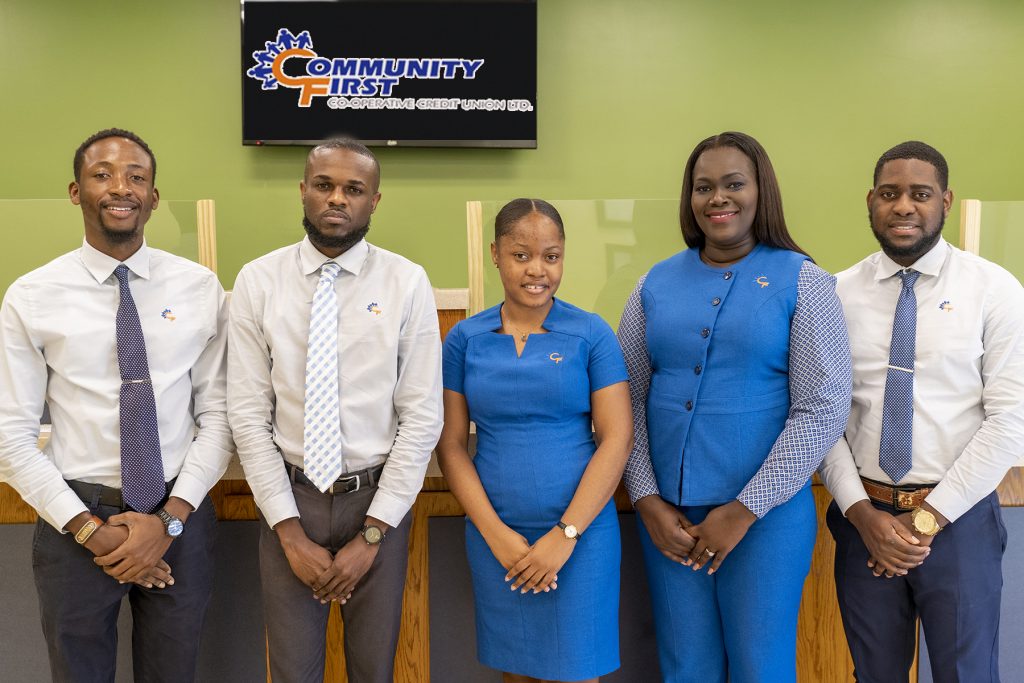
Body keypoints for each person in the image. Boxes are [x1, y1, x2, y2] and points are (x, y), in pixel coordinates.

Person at [618, 131, 852, 683]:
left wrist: (744, 509)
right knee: (685, 668)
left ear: (760, 191)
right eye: (703, 187)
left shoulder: (806, 280)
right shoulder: (652, 284)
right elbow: (627, 399)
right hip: (670, 521)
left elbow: (822, 408)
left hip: (766, 521)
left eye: (733, 184)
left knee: (759, 668)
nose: (717, 198)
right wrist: (646, 499)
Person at [0, 128, 233, 681]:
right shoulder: (32, 296)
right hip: (74, 520)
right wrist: (89, 530)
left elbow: (220, 417)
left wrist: (167, 524)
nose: (120, 187)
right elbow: (10, 436)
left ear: (153, 197)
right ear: (76, 191)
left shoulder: (200, 288)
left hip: (179, 515)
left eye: (136, 177)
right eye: (102, 174)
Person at [227, 138, 442, 683]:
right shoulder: (258, 281)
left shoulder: (406, 282)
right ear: (303, 190)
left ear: (374, 201)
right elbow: (248, 414)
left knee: (374, 669)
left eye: (354, 189)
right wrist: (289, 533)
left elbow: (422, 416)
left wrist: (373, 535)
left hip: (377, 499)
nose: (337, 198)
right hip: (290, 498)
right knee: (292, 672)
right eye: (324, 185)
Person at [819, 140, 1024, 682]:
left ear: (946, 201)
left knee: (967, 674)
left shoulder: (994, 290)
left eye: (920, 194)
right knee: (875, 675)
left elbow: (1011, 421)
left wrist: (926, 520)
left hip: (959, 523)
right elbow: (822, 416)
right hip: (865, 522)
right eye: (889, 194)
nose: (904, 206)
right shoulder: (835, 294)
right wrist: (863, 515)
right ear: (870, 201)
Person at [436, 198, 632, 683]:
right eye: (521, 255)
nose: (537, 270)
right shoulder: (463, 339)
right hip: (497, 538)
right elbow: (452, 445)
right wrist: (495, 535)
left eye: (551, 256)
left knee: (577, 671)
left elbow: (617, 439)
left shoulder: (592, 334)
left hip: (581, 538)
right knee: (517, 672)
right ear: (495, 254)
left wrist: (565, 535)